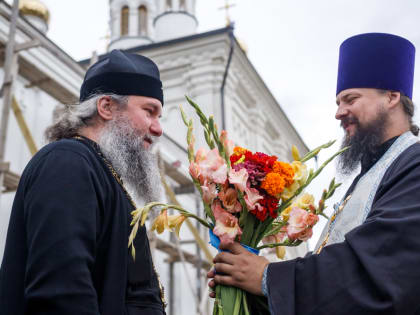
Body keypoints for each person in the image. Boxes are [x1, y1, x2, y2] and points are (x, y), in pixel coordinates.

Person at [208, 33, 420, 315]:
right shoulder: (368, 176)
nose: (339, 112)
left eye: (350, 99)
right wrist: (245, 286)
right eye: (337, 103)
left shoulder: (413, 167)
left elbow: (378, 267)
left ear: (392, 97)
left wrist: (268, 278)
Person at [0, 50, 167, 315]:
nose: (158, 128)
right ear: (106, 107)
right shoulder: (67, 162)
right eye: (150, 111)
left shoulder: (101, 172)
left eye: (159, 116)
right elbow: (62, 294)